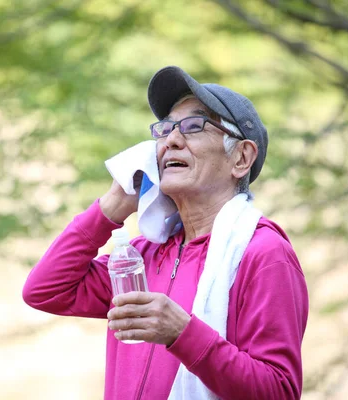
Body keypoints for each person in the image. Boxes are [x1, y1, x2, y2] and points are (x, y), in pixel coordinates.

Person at [23, 66, 309, 399]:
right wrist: (111, 208)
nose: (171, 139)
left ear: (241, 158)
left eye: (192, 126)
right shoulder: (141, 255)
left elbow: (278, 391)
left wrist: (183, 334)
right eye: (166, 129)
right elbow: (45, 290)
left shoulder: (263, 253)